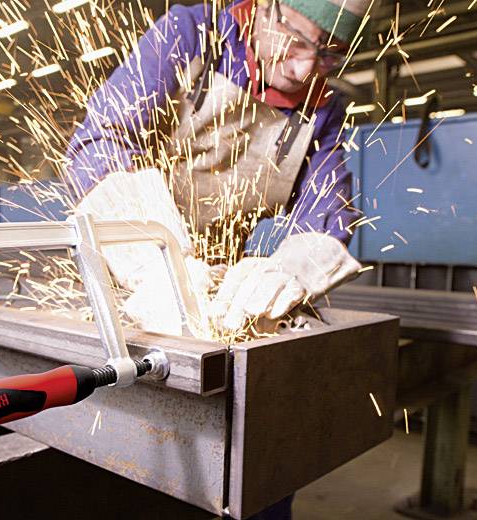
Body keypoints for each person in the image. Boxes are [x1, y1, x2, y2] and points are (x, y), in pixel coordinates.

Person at [66, 0, 368, 341]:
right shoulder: (191, 35)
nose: (303, 70)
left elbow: (326, 214)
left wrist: (285, 275)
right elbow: (100, 141)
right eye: (297, 40)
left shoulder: (321, 110)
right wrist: (156, 266)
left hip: (222, 293)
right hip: (127, 273)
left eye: (330, 54)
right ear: (263, 7)